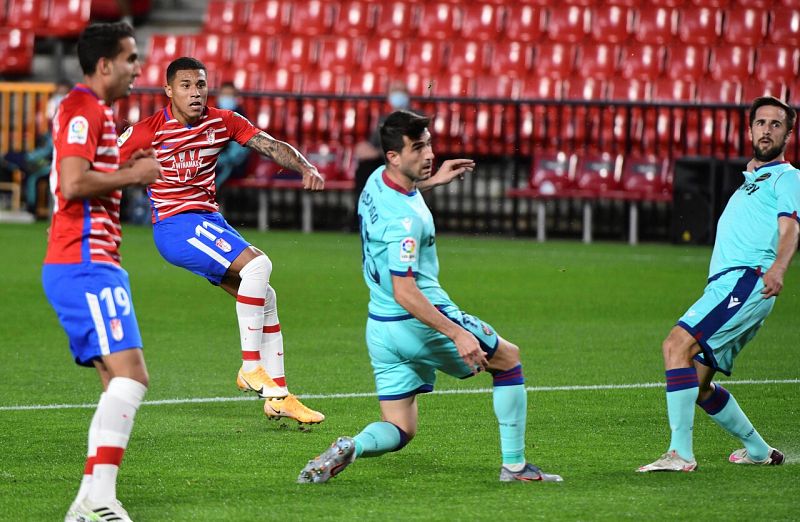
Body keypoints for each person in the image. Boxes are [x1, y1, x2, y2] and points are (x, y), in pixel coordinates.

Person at [298, 110, 563, 484]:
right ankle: (516, 467)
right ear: (394, 156)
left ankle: (351, 446)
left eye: (429, 144)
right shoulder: (407, 222)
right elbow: (406, 289)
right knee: (508, 359)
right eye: (418, 148)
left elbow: (400, 201)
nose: (429, 154)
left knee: (401, 427)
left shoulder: (375, 182)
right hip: (420, 320)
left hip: (381, 328)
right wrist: (456, 332)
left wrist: (432, 182)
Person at [118, 57, 326, 425]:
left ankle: (278, 395)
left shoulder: (222, 121)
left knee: (266, 296)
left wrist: (305, 166)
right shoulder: (145, 132)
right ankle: (250, 368)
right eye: (185, 85)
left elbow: (269, 144)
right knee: (259, 265)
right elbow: (99, 169)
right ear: (168, 91)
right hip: (175, 225)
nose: (195, 92)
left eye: (200, 84)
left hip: (209, 221)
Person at [638, 96, 800, 473]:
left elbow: (790, 225)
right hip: (732, 286)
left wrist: (778, 267)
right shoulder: (752, 181)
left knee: (675, 346)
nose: (767, 130)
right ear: (749, 130)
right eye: (761, 123)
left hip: (746, 281)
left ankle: (680, 455)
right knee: (696, 385)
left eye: (777, 124)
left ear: (788, 135)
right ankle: (759, 450)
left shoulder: (788, 177)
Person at [42, 22, 161, 522]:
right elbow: (72, 182)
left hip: (91, 261)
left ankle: (86, 502)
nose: (139, 68)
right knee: (131, 377)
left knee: (117, 379)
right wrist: (133, 174)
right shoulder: (82, 108)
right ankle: (98, 499)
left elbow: (88, 173)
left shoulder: (100, 113)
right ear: (105, 64)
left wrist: (123, 163)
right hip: (84, 261)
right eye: (131, 58)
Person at [351, 80, 412, 231]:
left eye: (400, 90)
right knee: (363, 169)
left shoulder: (415, 117)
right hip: (383, 160)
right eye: (394, 91)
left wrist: (378, 152)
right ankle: (361, 216)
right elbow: (374, 143)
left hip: (404, 161)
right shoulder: (383, 119)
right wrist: (364, 149)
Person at [214, 82, 251, 187]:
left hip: (233, 166)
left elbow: (239, 153)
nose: (226, 98)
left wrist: (222, 160)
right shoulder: (209, 117)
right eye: (224, 95)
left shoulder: (242, 120)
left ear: (236, 98)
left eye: (229, 95)